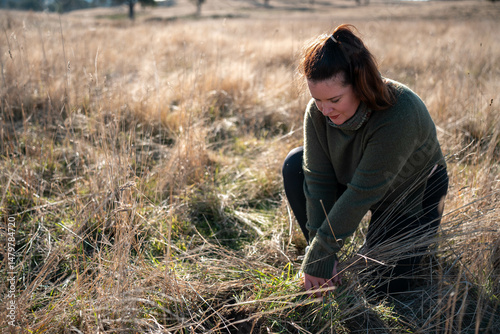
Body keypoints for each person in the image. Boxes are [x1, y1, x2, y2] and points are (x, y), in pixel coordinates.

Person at [282, 24, 448, 297]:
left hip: (409, 195)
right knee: (295, 165)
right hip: (352, 178)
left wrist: (322, 253)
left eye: (334, 99)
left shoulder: (400, 110)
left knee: (382, 288)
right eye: (317, 99)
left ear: (359, 84)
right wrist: (320, 255)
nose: (325, 110)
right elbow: (318, 181)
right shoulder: (318, 112)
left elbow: (363, 191)